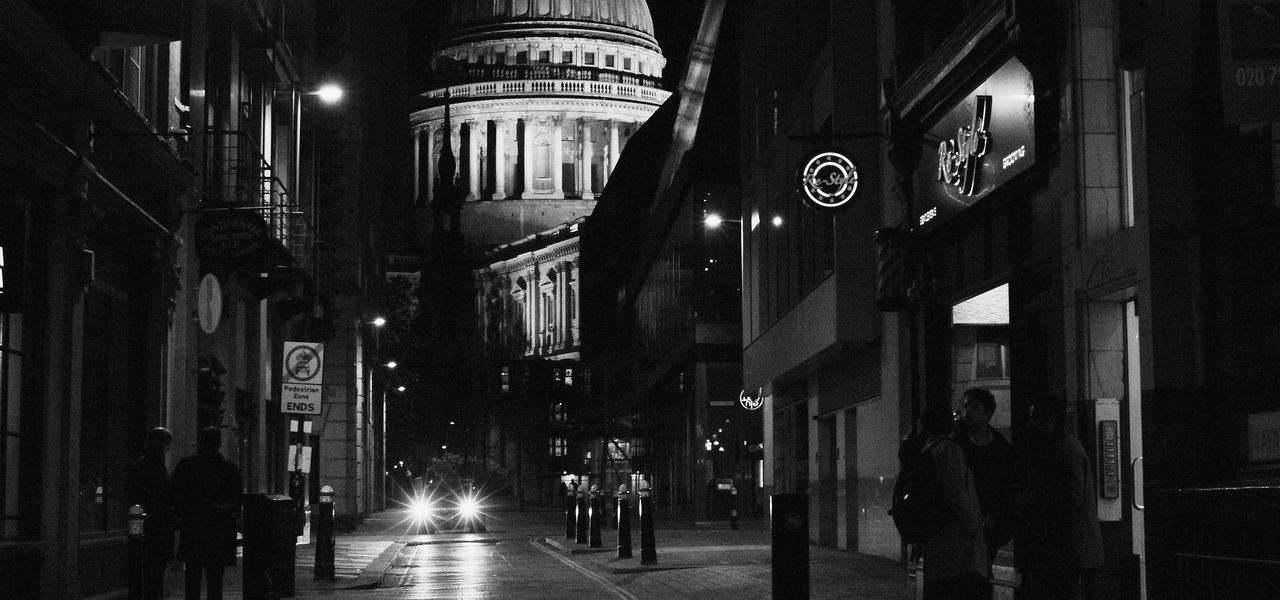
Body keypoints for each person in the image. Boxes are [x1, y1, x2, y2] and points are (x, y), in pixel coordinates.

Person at [1015, 394, 1105, 600]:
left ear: (1050, 421)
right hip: (1068, 549)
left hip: (1069, 550)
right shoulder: (1063, 447)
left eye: (1034, 417)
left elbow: (1070, 499)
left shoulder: (1066, 451)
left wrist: (1028, 499)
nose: (1031, 423)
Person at [917, 405, 988, 600]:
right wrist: (975, 530)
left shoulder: (926, 449)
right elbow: (958, 497)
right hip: (958, 550)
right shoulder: (948, 450)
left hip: (938, 547)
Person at [172, 427, 243, 600]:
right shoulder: (228, 469)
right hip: (218, 530)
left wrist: (181, 516)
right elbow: (237, 499)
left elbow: (174, 493)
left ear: (201, 441)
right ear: (219, 444)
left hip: (193, 528)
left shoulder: (187, 465)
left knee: (192, 576)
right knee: (215, 578)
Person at [953, 387, 1015, 567]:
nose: (968, 412)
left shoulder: (1000, 448)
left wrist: (996, 519)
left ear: (988, 414)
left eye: (975, 407)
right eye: (965, 407)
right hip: (961, 527)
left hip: (989, 527)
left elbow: (1004, 487)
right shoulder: (955, 443)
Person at [128, 426, 175, 600]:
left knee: (149, 569)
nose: (168, 448)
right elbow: (161, 494)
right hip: (155, 525)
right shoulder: (155, 465)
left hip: (147, 524)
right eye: (166, 444)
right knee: (154, 570)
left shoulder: (143, 463)